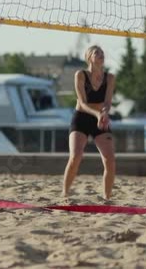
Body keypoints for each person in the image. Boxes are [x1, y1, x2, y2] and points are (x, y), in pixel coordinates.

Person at [63, 45, 117, 199]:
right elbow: (82, 103)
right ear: (89, 58)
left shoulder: (109, 77)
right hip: (81, 118)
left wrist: (104, 112)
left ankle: (107, 197)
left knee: (110, 159)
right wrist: (98, 113)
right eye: (96, 53)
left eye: (102, 52)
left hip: (100, 119)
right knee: (75, 157)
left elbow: (107, 102)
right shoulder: (80, 75)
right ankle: (65, 193)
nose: (101, 55)